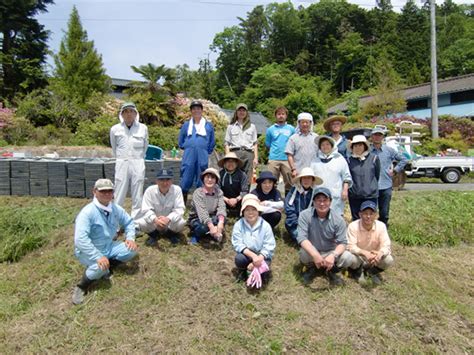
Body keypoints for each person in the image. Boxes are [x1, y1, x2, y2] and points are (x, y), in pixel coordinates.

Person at [72, 179, 138, 305]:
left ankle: (108, 267)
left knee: (131, 250)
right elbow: (80, 239)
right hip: (89, 250)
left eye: (110, 191)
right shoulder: (87, 212)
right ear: (95, 192)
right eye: (103, 191)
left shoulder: (115, 208)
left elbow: (129, 222)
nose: (107, 194)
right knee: (100, 266)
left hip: (108, 246)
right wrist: (97, 256)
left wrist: (130, 238)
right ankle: (82, 286)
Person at [296, 187, 353, 286]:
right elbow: (302, 238)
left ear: (330, 202)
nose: (322, 203)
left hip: (330, 252)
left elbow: (342, 243)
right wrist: (315, 254)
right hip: (313, 250)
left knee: (348, 257)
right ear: (313, 202)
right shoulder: (304, 215)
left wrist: (333, 255)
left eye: (325, 200)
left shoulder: (338, 220)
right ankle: (312, 268)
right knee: (303, 253)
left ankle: (332, 270)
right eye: (318, 200)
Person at [110, 102, 149, 219]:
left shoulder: (143, 128)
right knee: (119, 191)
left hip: (138, 161)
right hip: (122, 162)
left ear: (135, 113)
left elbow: (145, 146)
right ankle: (116, 222)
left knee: (137, 192)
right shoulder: (115, 129)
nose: (128, 114)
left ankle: (136, 221)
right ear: (121, 114)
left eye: (131, 111)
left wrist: (138, 158)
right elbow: (114, 146)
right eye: (126, 111)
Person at [346, 200, 394, 285]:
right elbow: (350, 246)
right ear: (360, 214)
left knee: (388, 259)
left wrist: (380, 253)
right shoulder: (353, 226)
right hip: (359, 257)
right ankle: (358, 271)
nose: (368, 216)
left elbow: (386, 245)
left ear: (376, 215)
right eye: (365, 213)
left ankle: (371, 272)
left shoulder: (381, 226)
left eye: (371, 214)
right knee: (349, 257)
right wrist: (365, 253)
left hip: (374, 258)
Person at [135, 169, 186, 247]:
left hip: (169, 223)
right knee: (141, 223)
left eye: (168, 179)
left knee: (181, 223)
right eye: (161, 179)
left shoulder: (177, 190)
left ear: (172, 180)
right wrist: (155, 220)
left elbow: (180, 209)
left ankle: (170, 234)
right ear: (157, 181)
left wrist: (168, 219)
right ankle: (153, 235)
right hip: (155, 223)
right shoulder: (149, 190)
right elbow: (146, 209)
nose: (165, 183)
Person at [178, 100, 216, 204]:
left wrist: (205, 151)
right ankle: (182, 203)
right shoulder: (186, 125)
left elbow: (212, 142)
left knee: (202, 176)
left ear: (202, 110)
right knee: (186, 176)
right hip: (189, 154)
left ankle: (199, 204)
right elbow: (181, 141)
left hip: (202, 155)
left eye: (198, 108)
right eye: (194, 109)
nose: (196, 111)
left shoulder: (208, 126)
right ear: (191, 111)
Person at [231, 196, 276, 282]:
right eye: (247, 210)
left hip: (262, 255)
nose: (250, 213)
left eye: (253, 209)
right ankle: (243, 270)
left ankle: (259, 271)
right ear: (243, 212)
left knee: (264, 271)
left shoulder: (266, 226)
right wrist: (253, 256)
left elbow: (269, 245)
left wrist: (259, 258)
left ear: (258, 211)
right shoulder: (238, 224)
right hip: (247, 254)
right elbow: (237, 243)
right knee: (239, 259)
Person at [370, 127, 408, 227]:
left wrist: (395, 170)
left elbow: (404, 159)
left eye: (379, 135)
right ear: (372, 136)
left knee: (384, 212)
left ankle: (383, 231)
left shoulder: (389, 150)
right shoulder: (368, 150)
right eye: (375, 135)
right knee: (370, 210)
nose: (377, 137)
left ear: (382, 137)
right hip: (371, 185)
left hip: (386, 185)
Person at [311, 135, 352, 216]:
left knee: (335, 217)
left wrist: (345, 190)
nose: (325, 147)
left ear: (332, 146)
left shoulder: (339, 159)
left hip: (335, 195)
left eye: (327, 144)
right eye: (322, 145)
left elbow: (346, 177)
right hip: (319, 196)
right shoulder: (315, 160)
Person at [188, 168, 226, 244]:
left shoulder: (219, 192)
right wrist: (211, 226)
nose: (209, 180)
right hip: (197, 217)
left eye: (212, 178)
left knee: (223, 220)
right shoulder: (198, 193)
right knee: (203, 227)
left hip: (213, 216)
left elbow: (221, 207)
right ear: (203, 179)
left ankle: (212, 233)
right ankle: (196, 235)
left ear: (216, 180)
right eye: (207, 177)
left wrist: (221, 222)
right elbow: (202, 212)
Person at [347, 135, 381, 221]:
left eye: (360, 145)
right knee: (356, 220)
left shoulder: (374, 158)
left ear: (365, 146)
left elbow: (377, 175)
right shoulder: (349, 160)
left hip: (370, 195)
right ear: (352, 147)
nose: (358, 148)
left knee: (369, 219)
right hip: (354, 196)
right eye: (355, 146)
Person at [284, 167, 323, 241]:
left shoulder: (316, 193)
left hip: (311, 224)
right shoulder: (294, 190)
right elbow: (288, 207)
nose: (306, 180)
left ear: (312, 180)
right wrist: (297, 222)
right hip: (294, 223)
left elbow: (318, 210)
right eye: (304, 178)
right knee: (299, 236)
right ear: (300, 180)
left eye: (309, 178)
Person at [224, 103, 258, 186]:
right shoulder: (230, 126)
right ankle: (235, 197)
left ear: (246, 113)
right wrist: (228, 156)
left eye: (243, 110)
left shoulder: (252, 126)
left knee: (248, 177)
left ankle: (245, 196)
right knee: (234, 175)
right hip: (235, 153)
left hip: (248, 153)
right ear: (236, 112)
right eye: (239, 110)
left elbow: (255, 143)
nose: (241, 112)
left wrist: (256, 158)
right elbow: (226, 143)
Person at [265, 106, 295, 195]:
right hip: (274, 158)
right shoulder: (270, 129)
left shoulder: (291, 128)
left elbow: (294, 143)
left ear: (286, 116)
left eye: (283, 114)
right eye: (278, 114)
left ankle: (288, 203)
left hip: (287, 159)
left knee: (289, 182)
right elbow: (268, 144)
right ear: (275, 116)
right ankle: (272, 200)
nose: (281, 116)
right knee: (271, 182)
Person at [285, 112, 318, 178]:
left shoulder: (316, 137)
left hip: (314, 171)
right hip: (298, 171)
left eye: (307, 122)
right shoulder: (293, 138)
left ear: (311, 123)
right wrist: (293, 169)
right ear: (298, 123)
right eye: (302, 122)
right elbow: (289, 155)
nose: (305, 124)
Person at [218, 152, 249, 217]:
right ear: (224, 163)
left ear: (237, 163)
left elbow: (245, 191)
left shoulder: (242, 175)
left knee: (248, 199)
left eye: (233, 162)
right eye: (228, 162)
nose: (230, 164)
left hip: (238, 200)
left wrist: (236, 200)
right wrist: (227, 200)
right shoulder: (220, 174)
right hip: (223, 199)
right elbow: (217, 190)